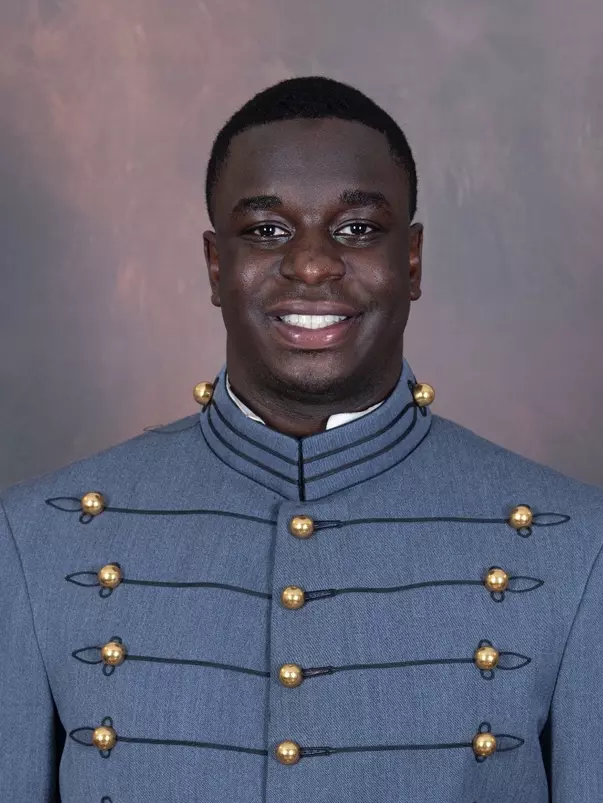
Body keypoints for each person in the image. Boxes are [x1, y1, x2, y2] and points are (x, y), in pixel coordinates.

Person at [1, 75, 601, 803]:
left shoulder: (572, 549)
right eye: (266, 230)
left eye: (356, 229)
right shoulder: (38, 541)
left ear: (410, 262)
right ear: (215, 266)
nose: (312, 263)